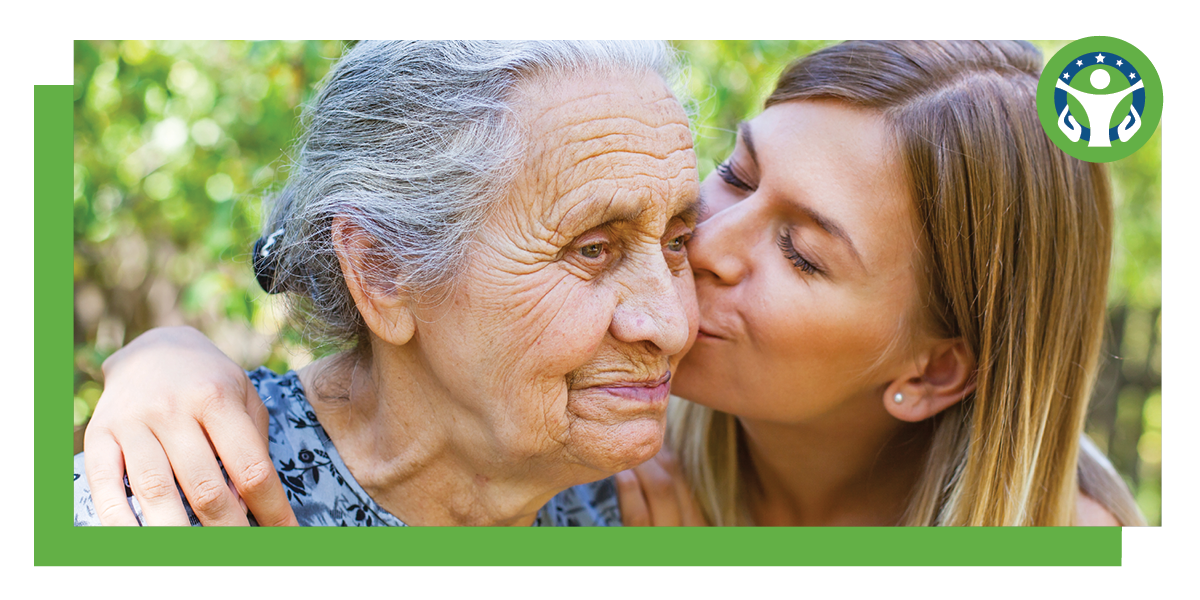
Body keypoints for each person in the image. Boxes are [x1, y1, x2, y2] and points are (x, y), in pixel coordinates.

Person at [82, 40, 1144, 527]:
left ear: (935, 371)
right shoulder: (596, 453)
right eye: (731, 177)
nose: (694, 268)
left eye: (806, 254)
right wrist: (164, 361)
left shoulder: (1057, 543)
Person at [74, 40, 702, 526]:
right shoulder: (168, 506)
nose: (672, 324)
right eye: (592, 249)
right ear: (383, 272)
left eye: (677, 243)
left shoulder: (635, 501)